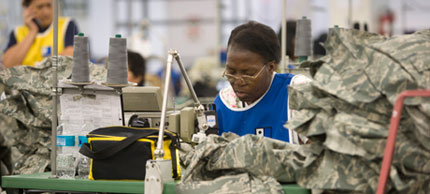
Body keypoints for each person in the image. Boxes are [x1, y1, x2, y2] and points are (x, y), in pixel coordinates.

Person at [214, 21, 310, 143]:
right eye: (231, 72)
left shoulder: (298, 93)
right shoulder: (224, 103)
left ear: (271, 67)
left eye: (248, 73)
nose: (238, 81)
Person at [1, 0, 79, 68]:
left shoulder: (67, 25)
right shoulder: (17, 32)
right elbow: (7, 65)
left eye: (49, 5)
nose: (46, 12)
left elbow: (72, 56)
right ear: (28, 9)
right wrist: (32, 31)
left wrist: (40, 67)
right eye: (40, 7)